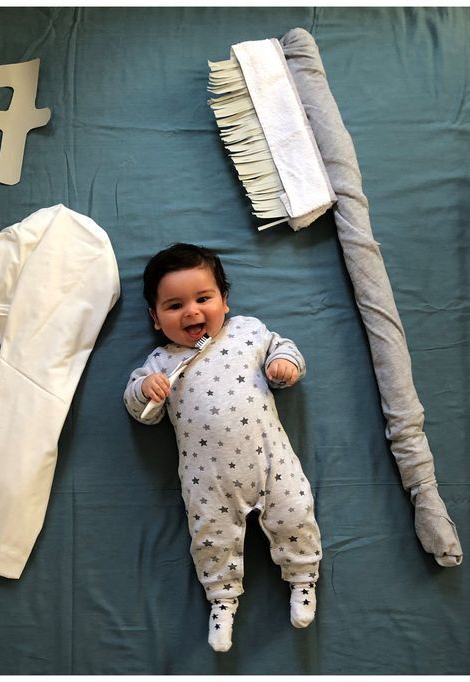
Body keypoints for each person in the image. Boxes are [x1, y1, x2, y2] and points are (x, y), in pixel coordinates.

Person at [123, 243, 322, 652]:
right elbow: (139, 409)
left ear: (225, 301)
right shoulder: (161, 361)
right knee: (211, 538)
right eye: (175, 305)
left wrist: (283, 366)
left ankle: (302, 579)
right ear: (155, 319)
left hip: (270, 460)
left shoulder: (247, 331)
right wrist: (146, 389)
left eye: (203, 298)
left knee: (295, 511)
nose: (192, 312)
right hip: (207, 477)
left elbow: (284, 349)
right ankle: (223, 601)